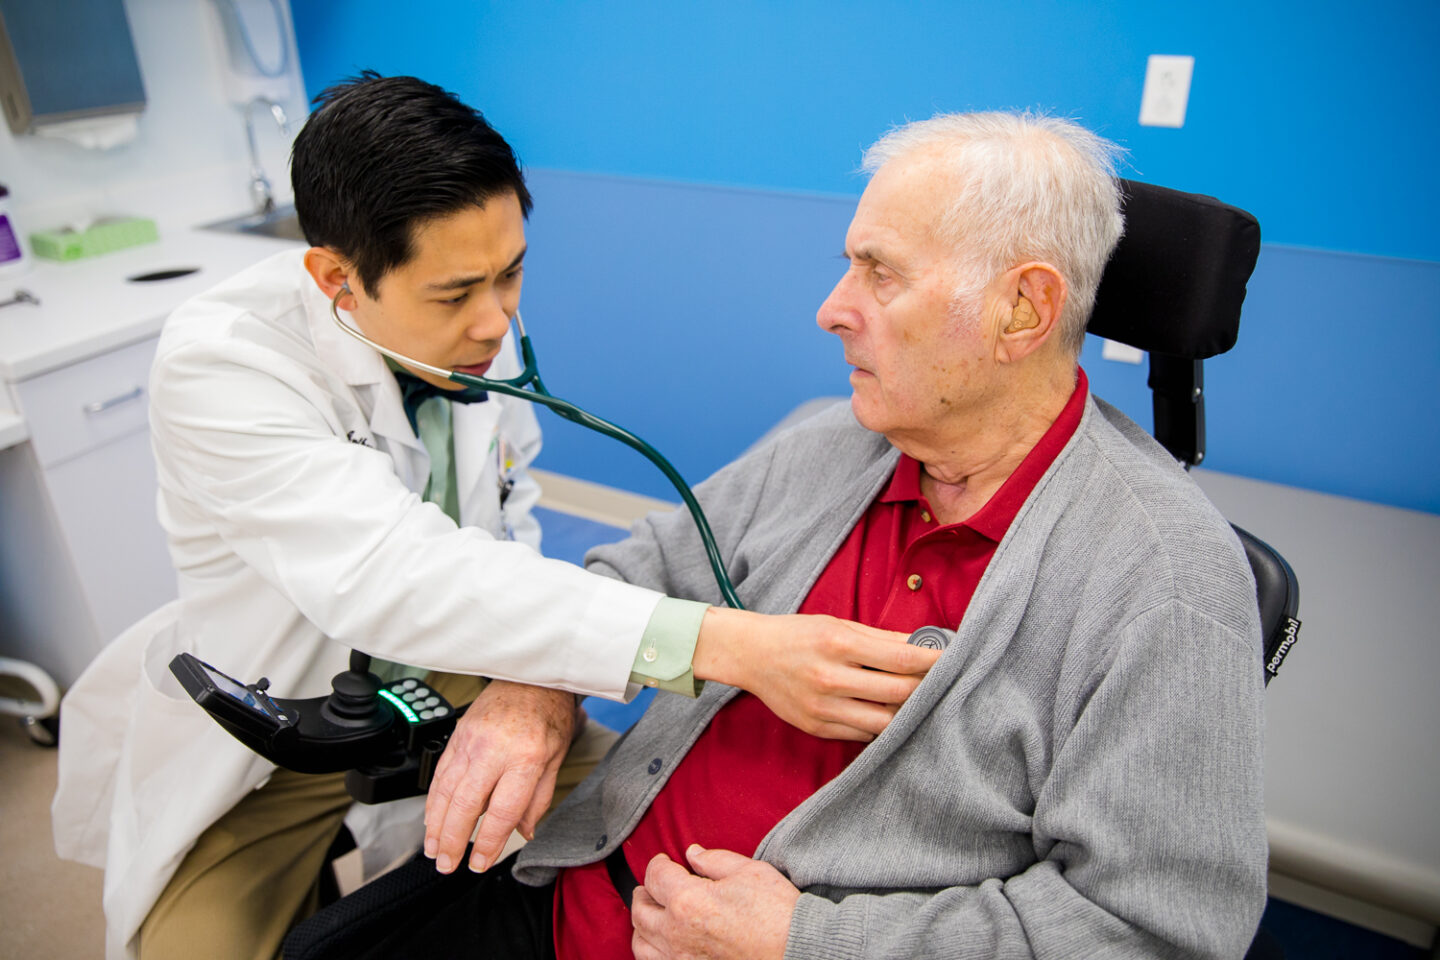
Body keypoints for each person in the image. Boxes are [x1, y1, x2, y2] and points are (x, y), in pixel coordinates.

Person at [303, 111, 1268, 960]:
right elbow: (631, 573)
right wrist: (536, 689)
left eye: (880, 274)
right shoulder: (831, 441)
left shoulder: (1162, 578)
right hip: (582, 884)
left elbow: (1154, 932)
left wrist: (809, 943)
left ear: (1024, 310)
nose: (832, 309)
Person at [49, 74, 938, 960]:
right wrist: (737, 644)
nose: (494, 321)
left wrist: (537, 686)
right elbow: (392, 573)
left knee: (640, 829)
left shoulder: (478, 321)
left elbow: (508, 528)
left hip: (463, 674)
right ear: (337, 281)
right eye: (453, 294)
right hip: (280, 733)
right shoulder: (223, 366)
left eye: (510, 272)